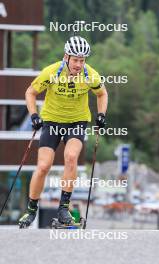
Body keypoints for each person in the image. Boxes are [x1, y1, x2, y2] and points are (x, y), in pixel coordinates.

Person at [19, 36, 108, 227]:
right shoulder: (52, 72)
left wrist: (101, 114)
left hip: (77, 121)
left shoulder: (90, 75)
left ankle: (63, 209)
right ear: (66, 57)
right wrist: (34, 115)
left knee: (71, 157)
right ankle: (31, 209)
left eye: (82, 60)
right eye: (75, 60)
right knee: (44, 166)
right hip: (52, 120)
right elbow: (30, 92)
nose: (78, 64)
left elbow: (102, 93)